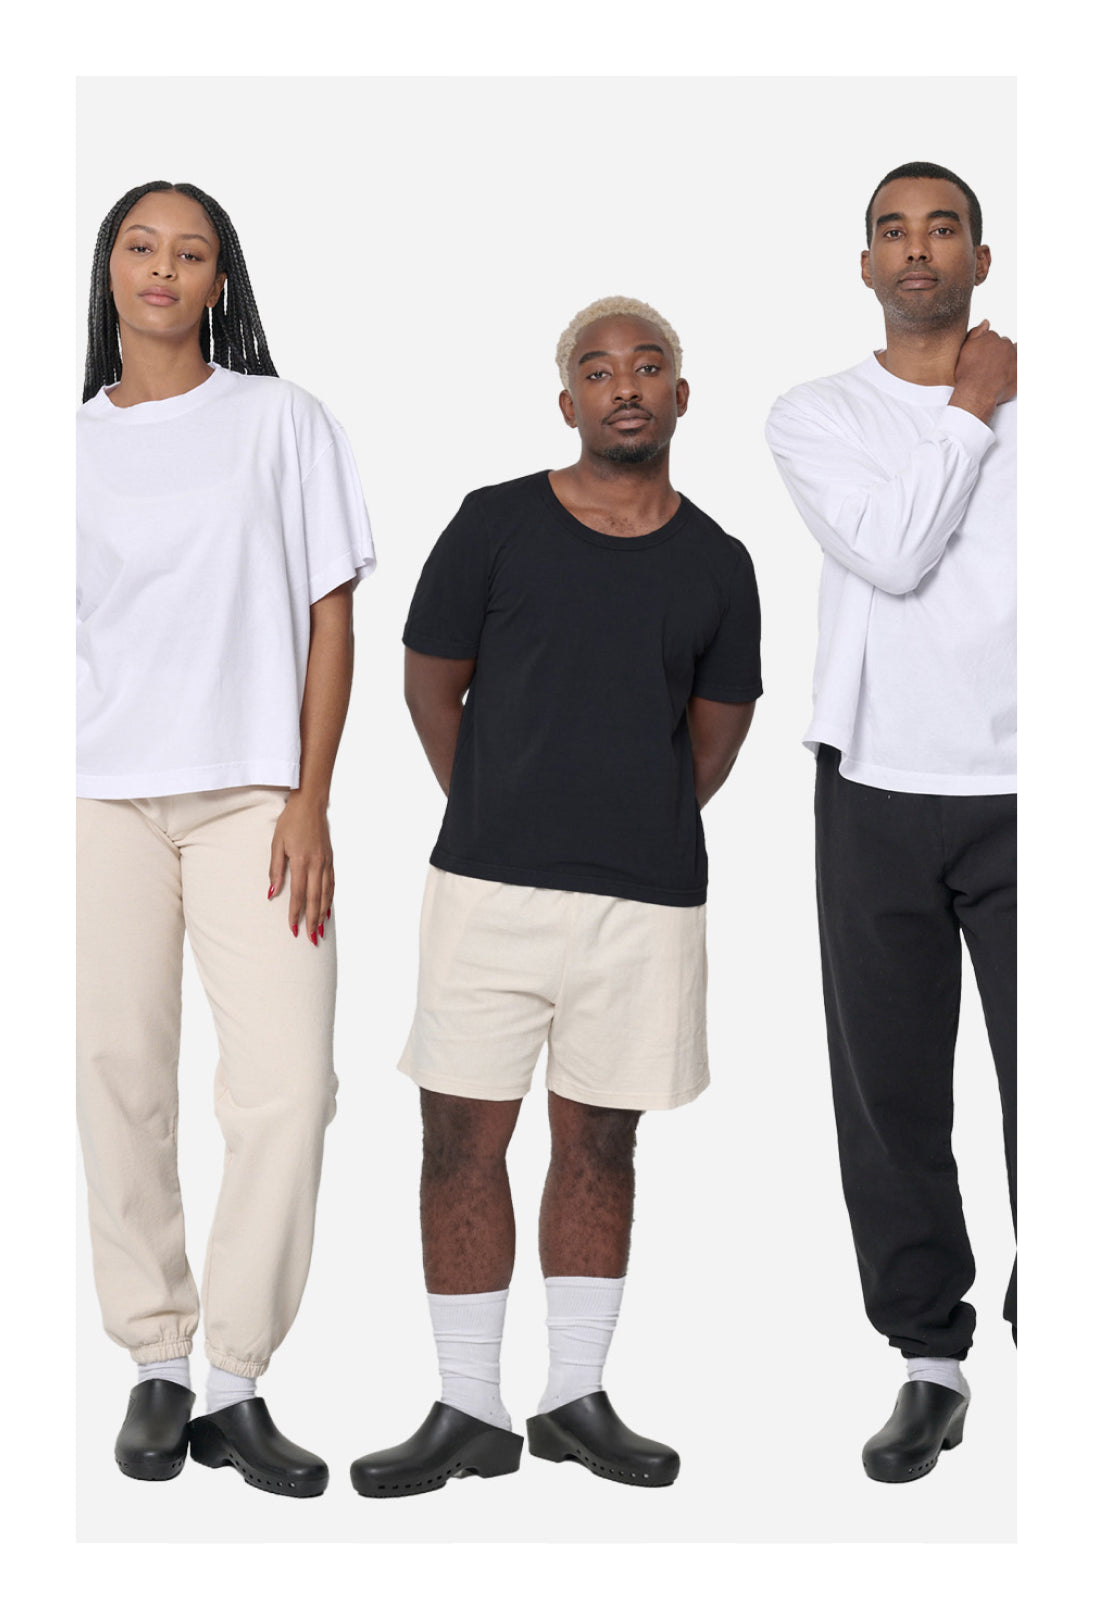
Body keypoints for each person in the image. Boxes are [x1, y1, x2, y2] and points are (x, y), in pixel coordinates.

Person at [349, 296, 761, 1498]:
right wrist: (501, 806)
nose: (624, 385)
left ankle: (574, 1398)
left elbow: (713, 744)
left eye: (649, 366)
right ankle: (465, 1407)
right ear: (567, 401)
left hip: (644, 906)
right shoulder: (494, 525)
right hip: (486, 891)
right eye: (598, 369)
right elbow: (433, 694)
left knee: (602, 1146)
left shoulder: (719, 563)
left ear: (680, 396)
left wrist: (618, 821)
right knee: (457, 1143)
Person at [77, 181, 375, 1497]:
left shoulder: (281, 421)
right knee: (116, 1074)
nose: (163, 268)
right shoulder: (62, 447)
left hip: (257, 796)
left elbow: (330, 617)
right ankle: (155, 1361)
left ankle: (238, 1382)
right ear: (109, 272)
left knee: (287, 1086)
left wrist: (310, 797)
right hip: (102, 799)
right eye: (141, 246)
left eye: (190, 253)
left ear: (219, 284)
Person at [765, 161, 1016, 1484]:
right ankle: (929, 1360)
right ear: (864, 265)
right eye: (890, 231)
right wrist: (972, 413)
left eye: (941, 227)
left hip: (1032, 787)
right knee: (893, 1098)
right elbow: (894, 552)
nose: (915, 249)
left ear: (983, 253)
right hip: (873, 786)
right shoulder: (816, 413)